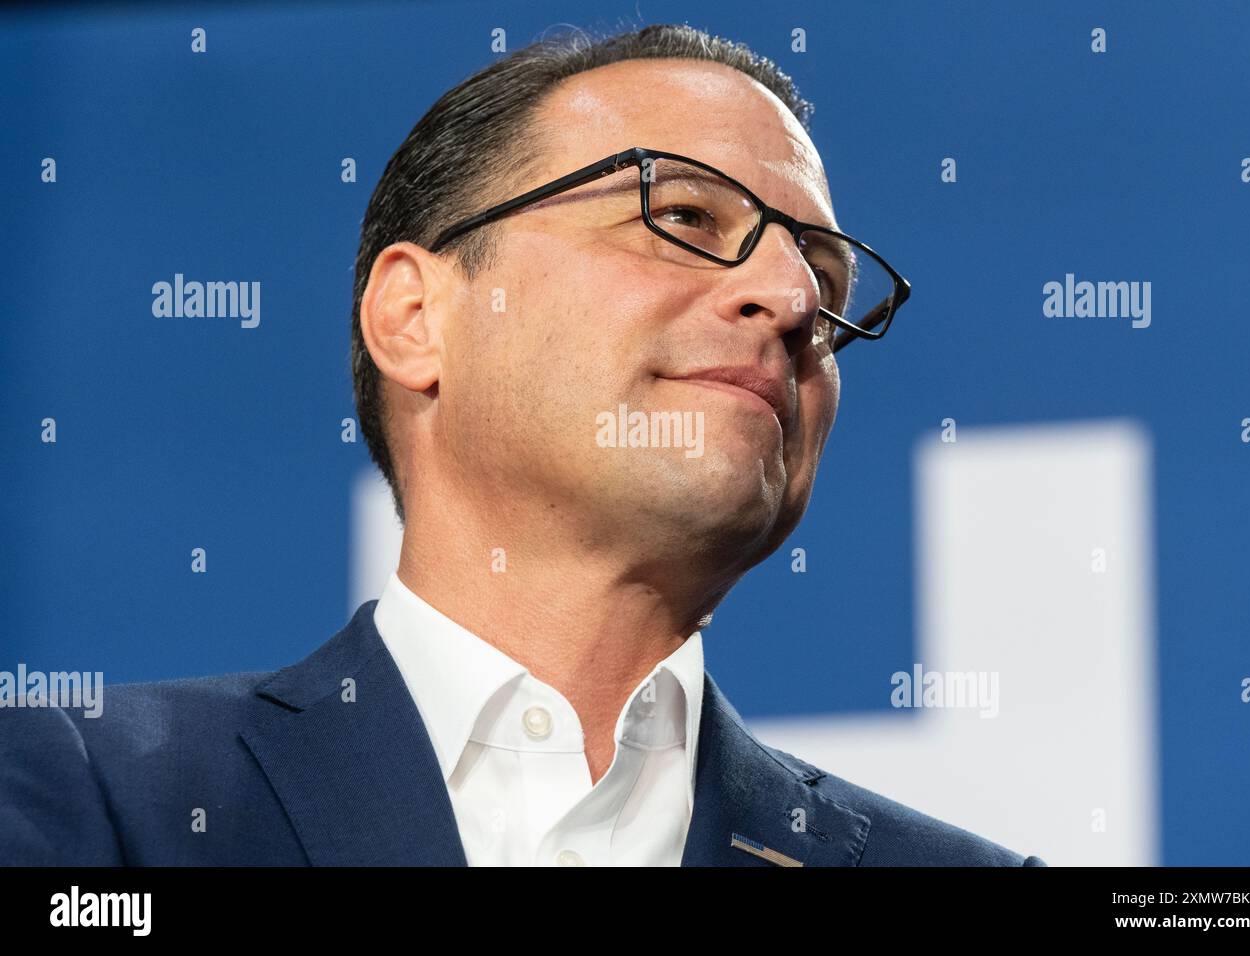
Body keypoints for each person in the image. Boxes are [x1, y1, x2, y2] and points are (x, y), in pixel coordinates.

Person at [0, 23, 1045, 867]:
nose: (787, 299)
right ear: (416, 317)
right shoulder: (88, 797)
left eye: (822, 274)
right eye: (681, 211)